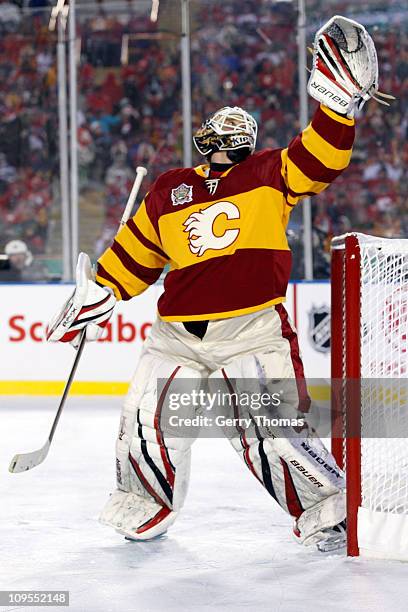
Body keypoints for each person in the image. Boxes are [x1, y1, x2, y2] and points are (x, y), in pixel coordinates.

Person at [47, 16, 385, 551]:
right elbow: (137, 251)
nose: (227, 134)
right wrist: (100, 291)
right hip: (175, 334)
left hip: (251, 329)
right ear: (204, 137)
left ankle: (327, 507)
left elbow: (319, 161)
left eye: (236, 129)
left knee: (268, 428)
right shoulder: (169, 188)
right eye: (218, 128)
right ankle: (146, 501)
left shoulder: (270, 173)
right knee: (144, 417)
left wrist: (338, 108)